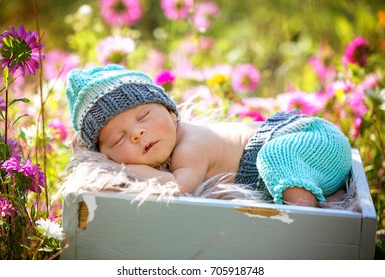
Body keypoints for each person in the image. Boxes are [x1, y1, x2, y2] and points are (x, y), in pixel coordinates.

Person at [65, 64, 352, 207]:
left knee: (276, 158)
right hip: (308, 152)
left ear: (172, 111)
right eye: (118, 140)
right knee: (279, 164)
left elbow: (180, 186)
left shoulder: (191, 145)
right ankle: (327, 192)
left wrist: (124, 167)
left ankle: (309, 211)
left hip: (307, 139)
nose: (138, 133)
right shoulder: (168, 144)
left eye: (144, 117)